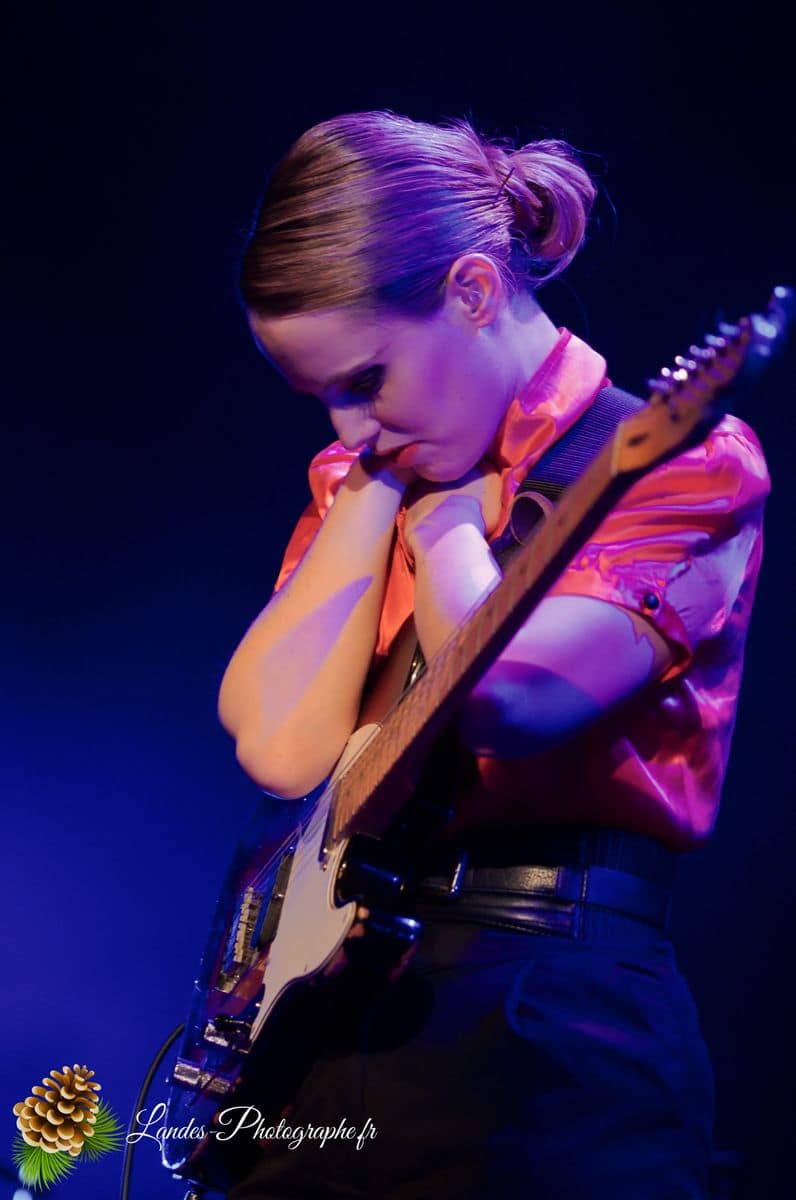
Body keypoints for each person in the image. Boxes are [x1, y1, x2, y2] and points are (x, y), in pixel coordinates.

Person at [217, 110, 770, 1199]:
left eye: (365, 380)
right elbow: (280, 749)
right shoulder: (369, 475)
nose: (346, 431)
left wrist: (445, 535)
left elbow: (507, 702)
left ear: (473, 291)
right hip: (335, 1007)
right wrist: (375, 499)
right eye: (321, 399)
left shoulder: (685, 465)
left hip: (550, 1018)